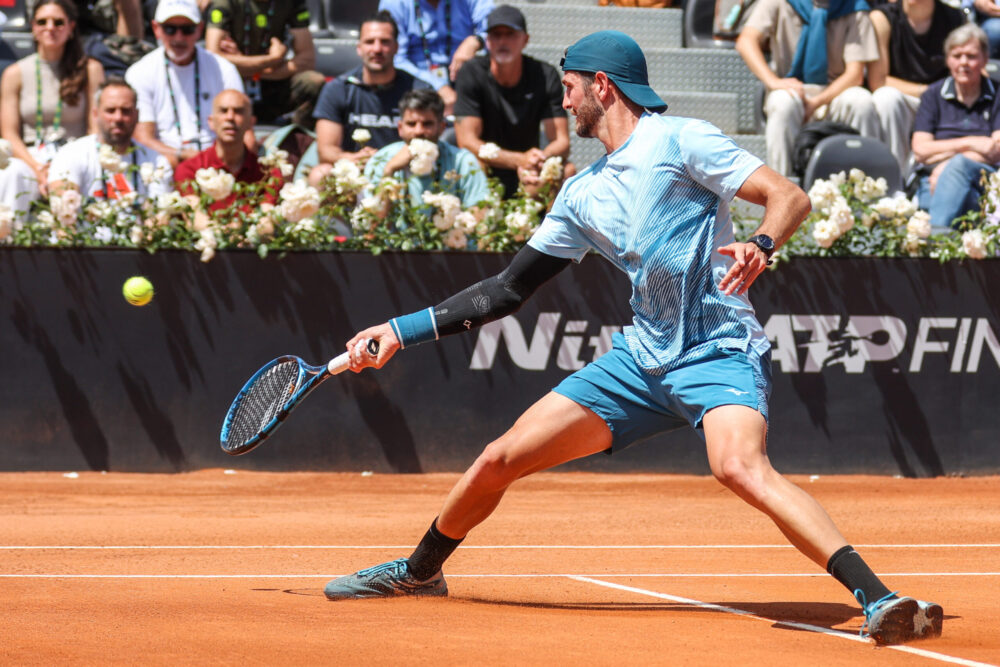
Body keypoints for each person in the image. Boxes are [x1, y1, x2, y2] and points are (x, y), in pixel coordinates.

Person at [324, 30, 943, 647]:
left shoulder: (681, 140)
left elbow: (789, 197)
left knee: (739, 466)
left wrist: (760, 244)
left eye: (568, 90)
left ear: (602, 85)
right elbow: (508, 290)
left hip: (718, 350)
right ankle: (417, 572)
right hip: (640, 362)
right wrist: (399, 331)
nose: (562, 104)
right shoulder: (582, 194)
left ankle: (883, 599)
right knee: (499, 457)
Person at [735, 0, 882, 178]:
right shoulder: (779, 2)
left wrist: (816, 102)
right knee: (783, 103)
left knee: (862, 102)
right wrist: (773, 81)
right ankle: (783, 185)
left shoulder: (854, 7)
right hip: (791, 87)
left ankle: (865, 183)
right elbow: (746, 41)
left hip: (835, 91)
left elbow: (854, 75)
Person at [453, 5, 572, 199]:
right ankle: (481, 227)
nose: (503, 41)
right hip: (488, 166)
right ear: (487, 41)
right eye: (496, 35)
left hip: (532, 168)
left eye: (510, 34)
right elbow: (467, 142)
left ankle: (549, 228)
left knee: (567, 170)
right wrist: (518, 160)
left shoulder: (545, 75)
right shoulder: (471, 72)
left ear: (525, 40)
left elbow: (561, 142)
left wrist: (538, 160)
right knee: (472, 164)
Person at [0, 0, 104, 213]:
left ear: (71, 27)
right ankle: (7, 240)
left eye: (58, 22)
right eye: (42, 22)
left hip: (74, 152)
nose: (50, 28)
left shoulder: (90, 69)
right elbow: (9, 133)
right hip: (30, 156)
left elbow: (95, 128)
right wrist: (38, 169)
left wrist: (65, 162)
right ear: (33, 27)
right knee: (13, 173)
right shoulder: (15, 73)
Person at [308, 11, 432, 186]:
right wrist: (353, 158)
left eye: (385, 42)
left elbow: (430, 141)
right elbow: (326, 150)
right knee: (320, 174)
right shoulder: (338, 89)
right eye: (369, 42)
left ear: (396, 47)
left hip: (406, 172)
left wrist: (392, 161)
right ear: (359, 48)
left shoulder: (418, 90)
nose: (377, 49)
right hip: (355, 173)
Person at [124, 0, 245, 170]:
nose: (178, 38)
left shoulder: (224, 69)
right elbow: (143, 138)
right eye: (170, 29)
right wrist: (183, 155)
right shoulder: (140, 72)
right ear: (156, 29)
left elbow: (244, 128)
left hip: (219, 161)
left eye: (187, 29)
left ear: (200, 29)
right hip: (166, 162)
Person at [912, 23, 1000, 229]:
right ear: (947, 60)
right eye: (957, 55)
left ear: (985, 59)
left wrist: (949, 166)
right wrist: (973, 143)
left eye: (971, 56)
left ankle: (934, 247)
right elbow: (921, 151)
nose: (963, 63)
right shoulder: (933, 95)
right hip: (932, 183)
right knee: (964, 200)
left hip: (985, 182)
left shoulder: (998, 94)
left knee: (959, 167)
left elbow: (995, 150)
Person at [868, 0, 967, 172]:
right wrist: (928, 92)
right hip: (906, 99)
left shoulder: (956, 18)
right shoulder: (882, 18)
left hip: (944, 101)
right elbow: (878, 81)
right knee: (886, 98)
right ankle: (894, 178)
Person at [204, 0, 325, 128]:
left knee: (313, 82)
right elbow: (212, 58)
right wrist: (272, 59)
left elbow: (307, 61)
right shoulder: (226, 2)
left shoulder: (291, 3)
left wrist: (248, 68)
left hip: (273, 83)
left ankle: (296, 138)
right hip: (234, 83)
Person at [48, 79, 172, 200]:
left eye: (126, 111)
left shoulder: (156, 162)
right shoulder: (71, 154)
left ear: (137, 115)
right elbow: (61, 202)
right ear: (95, 114)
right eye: (110, 110)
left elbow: (160, 215)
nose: (118, 118)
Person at [364, 88, 489, 209]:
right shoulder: (381, 160)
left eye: (427, 124)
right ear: (400, 128)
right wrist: (389, 171)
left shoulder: (462, 161)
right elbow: (373, 225)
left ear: (442, 127)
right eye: (411, 124)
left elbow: (479, 215)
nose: (419, 131)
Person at [378, 0, 495, 115]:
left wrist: (476, 41)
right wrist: (438, 86)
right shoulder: (394, 3)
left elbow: (496, 29)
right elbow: (397, 59)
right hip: (415, 83)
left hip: (465, 77)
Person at [174, 89, 281, 211]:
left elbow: (266, 223)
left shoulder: (268, 174)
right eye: (223, 111)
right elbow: (196, 220)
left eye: (238, 111)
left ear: (251, 122)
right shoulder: (190, 169)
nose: (230, 117)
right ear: (211, 122)